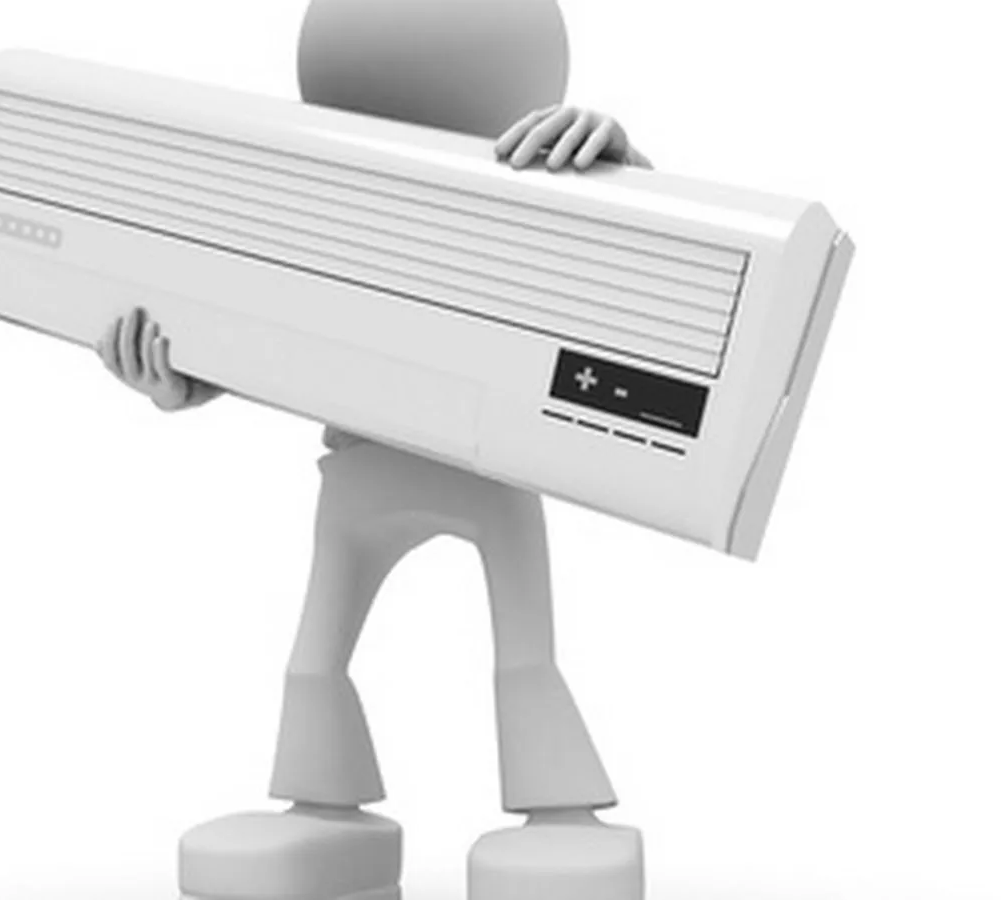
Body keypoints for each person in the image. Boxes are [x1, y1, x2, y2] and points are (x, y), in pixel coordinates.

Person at [98, 2, 651, 897]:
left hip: (494, 466)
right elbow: (246, 332)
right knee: (313, 660)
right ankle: (321, 813)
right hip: (356, 464)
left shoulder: (526, 192)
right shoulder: (307, 207)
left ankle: (560, 818)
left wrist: (618, 165)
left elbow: (651, 273)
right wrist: (175, 378)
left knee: (525, 656)